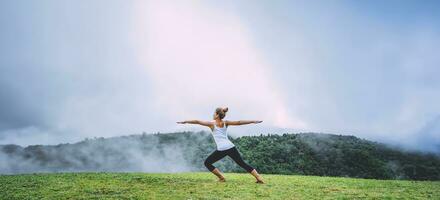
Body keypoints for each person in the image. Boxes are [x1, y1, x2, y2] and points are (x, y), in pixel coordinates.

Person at [177, 107, 265, 183]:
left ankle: (222, 178)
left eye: (214, 113)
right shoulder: (225, 122)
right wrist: (253, 121)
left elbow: (197, 121)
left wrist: (185, 121)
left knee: (207, 163)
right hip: (231, 147)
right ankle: (258, 178)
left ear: (217, 115)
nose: (213, 114)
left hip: (222, 148)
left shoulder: (212, 124)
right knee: (242, 163)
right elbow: (239, 122)